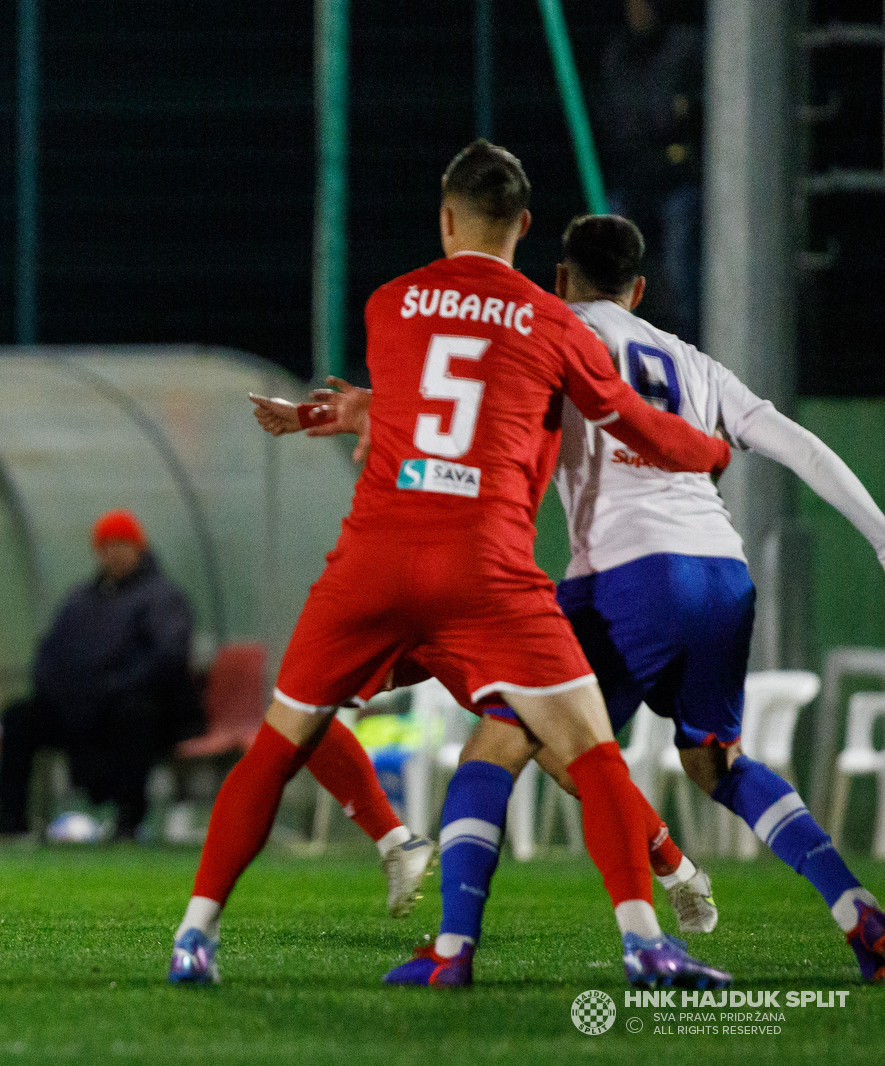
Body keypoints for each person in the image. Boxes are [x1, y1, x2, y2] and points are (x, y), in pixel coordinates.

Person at [168, 140, 733, 989]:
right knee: (585, 749)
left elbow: (418, 394)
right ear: (526, 227)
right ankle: (645, 937)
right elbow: (626, 419)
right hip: (483, 571)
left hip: (379, 562)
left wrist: (332, 413)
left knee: (286, 734)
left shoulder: (390, 303)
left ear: (444, 218)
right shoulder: (553, 323)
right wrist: (711, 449)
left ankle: (195, 936)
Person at [546, 214, 885, 980]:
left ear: (560, 278)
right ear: (636, 289)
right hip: (720, 573)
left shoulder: (550, 330)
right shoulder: (691, 361)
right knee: (716, 763)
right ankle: (854, 909)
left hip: (624, 574)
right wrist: (879, 531)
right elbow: (796, 443)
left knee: (554, 739)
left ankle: (663, 877)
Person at [0, 510, 204, 842]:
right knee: (18, 718)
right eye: (106, 546)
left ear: (138, 548)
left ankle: (129, 822)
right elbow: (50, 651)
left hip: (140, 709)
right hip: (81, 708)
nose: (113, 553)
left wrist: (110, 688)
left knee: (135, 715)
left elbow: (167, 658)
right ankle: (9, 822)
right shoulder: (81, 599)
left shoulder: (163, 598)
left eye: (121, 544)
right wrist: (61, 692)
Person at [596, 0, 702, 342]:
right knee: (609, 266)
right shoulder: (618, 54)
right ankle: (617, 349)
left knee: (679, 276)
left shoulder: (685, 47)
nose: (641, 10)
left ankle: (687, 354)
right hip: (633, 180)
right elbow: (615, 120)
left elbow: (695, 113)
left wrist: (672, 120)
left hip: (677, 181)